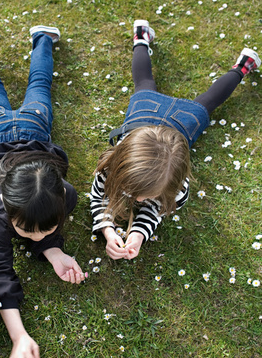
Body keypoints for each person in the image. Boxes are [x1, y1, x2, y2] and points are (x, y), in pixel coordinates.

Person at [0, 6, 86, 358]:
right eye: (27, 232)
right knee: (8, 85)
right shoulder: (1, 215)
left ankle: (29, 37)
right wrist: (17, 335)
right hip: (7, 129)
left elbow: (11, 261)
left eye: (47, 229)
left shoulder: (65, 195)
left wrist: (52, 251)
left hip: (17, 127)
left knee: (9, 86)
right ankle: (23, 36)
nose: (36, 236)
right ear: (7, 209)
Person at [90, 19, 260, 260]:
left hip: (179, 125)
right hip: (147, 118)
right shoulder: (109, 168)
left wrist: (138, 234)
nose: (138, 200)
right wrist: (108, 231)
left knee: (163, 88)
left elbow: (156, 209)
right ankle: (243, 64)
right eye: (136, 193)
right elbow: (98, 196)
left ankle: (242, 66)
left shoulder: (176, 188)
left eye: (146, 196)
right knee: (200, 99)